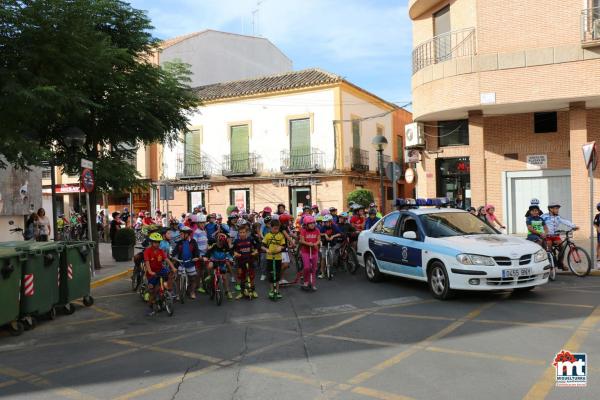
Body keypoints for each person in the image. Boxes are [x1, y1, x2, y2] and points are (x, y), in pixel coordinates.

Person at [144, 232, 177, 316]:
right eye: (155, 242)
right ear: (151, 242)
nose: (157, 244)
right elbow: (147, 263)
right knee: (152, 291)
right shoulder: (147, 251)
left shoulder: (161, 251)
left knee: (170, 273)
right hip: (151, 272)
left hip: (160, 269)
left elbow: (167, 260)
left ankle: (168, 290)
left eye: (159, 242)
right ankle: (150, 308)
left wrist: (173, 267)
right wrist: (150, 272)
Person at [171, 226, 200, 299]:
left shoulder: (193, 241)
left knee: (193, 278)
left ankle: (192, 292)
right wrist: (172, 255)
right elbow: (175, 251)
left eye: (182, 233)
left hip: (190, 262)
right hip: (181, 263)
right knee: (178, 278)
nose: (180, 235)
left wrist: (196, 257)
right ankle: (178, 293)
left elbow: (197, 251)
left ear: (187, 234)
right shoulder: (180, 242)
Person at [233, 224, 259, 299]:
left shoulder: (250, 239)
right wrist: (235, 253)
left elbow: (257, 245)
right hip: (241, 262)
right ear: (238, 233)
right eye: (240, 232)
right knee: (242, 278)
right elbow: (232, 250)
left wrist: (256, 251)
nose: (242, 234)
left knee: (251, 277)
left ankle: (253, 291)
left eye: (243, 232)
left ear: (246, 233)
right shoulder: (236, 241)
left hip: (250, 260)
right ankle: (242, 292)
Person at [262, 219, 286, 300]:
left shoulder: (281, 235)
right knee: (271, 275)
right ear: (271, 227)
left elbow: (284, 245)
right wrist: (266, 250)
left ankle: (277, 291)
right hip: (269, 258)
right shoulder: (267, 235)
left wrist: (281, 247)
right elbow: (262, 245)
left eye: (278, 228)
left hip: (278, 258)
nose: (276, 230)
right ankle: (272, 290)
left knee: (277, 275)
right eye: (275, 228)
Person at [207, 233, 234, 300]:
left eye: (222, 241)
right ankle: (210, 275)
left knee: (224, 278)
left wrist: (230, 259)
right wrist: (205, 257)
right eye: (219, 241)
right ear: (216, 240)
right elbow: (208, 253)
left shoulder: (225, 246)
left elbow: (229, 254)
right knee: (210, 266)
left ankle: (227, 292)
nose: (220, 243)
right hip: (214, 262)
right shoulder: (214, 246)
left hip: (222, 263)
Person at [299, 215, 320, 291]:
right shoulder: (303, 230)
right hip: (305, 251)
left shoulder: (317, 230)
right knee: (307, 267)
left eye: (313, 223)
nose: (312, 225)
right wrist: (309, 244)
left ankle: (313, 283)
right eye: (310, 223)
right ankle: (306, 281)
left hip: (314, 251)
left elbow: (318, 240)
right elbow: (302, 240)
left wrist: (315, 243)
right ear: (306, 224)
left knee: (313, 268)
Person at [319, 214, 341, 279]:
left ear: (330, 221)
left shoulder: (334, 226)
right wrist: (325, 234)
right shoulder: (323, 227)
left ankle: (330, 271)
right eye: (324, 222)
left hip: (332, 244)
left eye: (327, 222)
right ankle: (322, 273)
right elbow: (319, 233)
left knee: (331, 259)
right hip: (324, 244)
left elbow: (339, 233)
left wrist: (333, 236)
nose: (325, 223)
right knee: (323, 258)